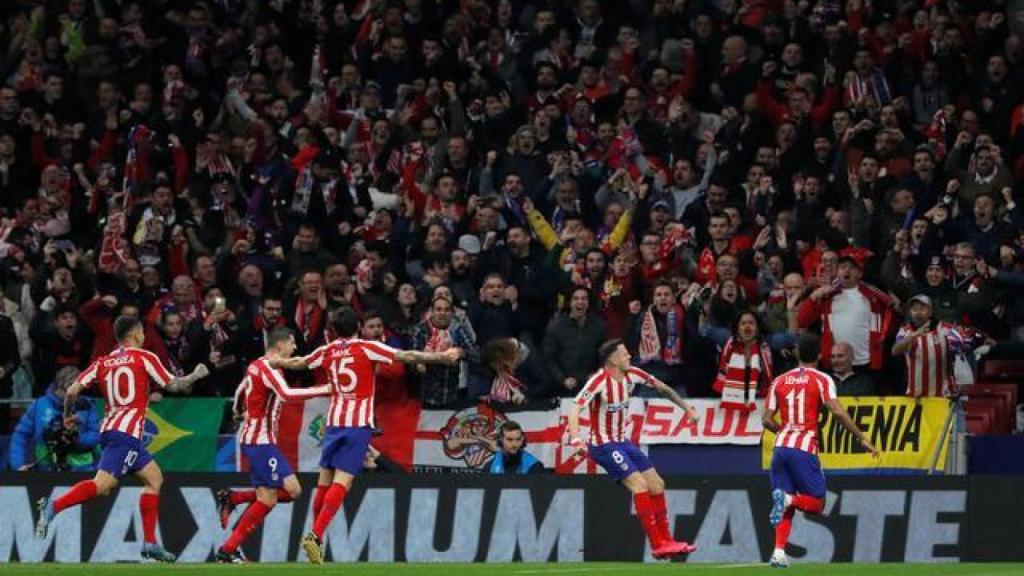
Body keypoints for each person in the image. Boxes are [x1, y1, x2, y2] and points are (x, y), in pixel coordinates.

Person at [271, 308, 461, 564]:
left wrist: (276, 361)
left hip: (334, 422)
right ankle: (315, 536)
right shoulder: (366, 347)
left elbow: (301, 362)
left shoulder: (327, 350)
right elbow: (406, 355)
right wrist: (442, 356)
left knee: (324, 480)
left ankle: (316, 538)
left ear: (334, 330)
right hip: (357, 424)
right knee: (343, 482)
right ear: (358, 327)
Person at [34, 316, 210, 563]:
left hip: (113, 432)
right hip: (126, 435)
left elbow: (72, 390)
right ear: (138, 334)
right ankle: (53, 506)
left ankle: (150, 543)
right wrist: (194, 376)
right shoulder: (145, 357)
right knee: (102, 485)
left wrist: (67, 417)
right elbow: (174, 385)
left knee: (154, 478)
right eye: (143, 333)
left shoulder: (102, 362)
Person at [567, 339, 699, 559]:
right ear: (613, 359)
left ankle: (668, 541)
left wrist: (687, 409)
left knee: (657, 485)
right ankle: (657, 545)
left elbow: (663, 388)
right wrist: (576, 439)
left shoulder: (633, 374)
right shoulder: (598, 381)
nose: (629, 356)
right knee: (639, 485)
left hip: (623, 442)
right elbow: (575, 409)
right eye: (625, 353)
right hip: (602, 445)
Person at [762, 332, 880, 568]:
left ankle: (778, 552)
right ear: (819, 355)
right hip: (804, 448)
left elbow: (766, 419)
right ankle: (787, 500)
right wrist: (861, 438)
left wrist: (784, 433)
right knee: (816, 502)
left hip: (781, 447)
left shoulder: (780, 380)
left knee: (784, 506)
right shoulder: (822, 379)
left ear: (796, 354)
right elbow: (837, 411)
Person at [214, 327, 331, 563]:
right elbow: (287, 394)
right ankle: (230, 530)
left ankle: (229, 538)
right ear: (280, 345)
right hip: (260, 441)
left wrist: (238, 411)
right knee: (287, 492)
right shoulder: (269, 367)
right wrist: (327, 389)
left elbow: (239, 392)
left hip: (256, 440)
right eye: (292, 343)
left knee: (274, 497)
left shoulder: (255, 365)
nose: (295, 348)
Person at [10, 367, 99, 472]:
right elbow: (20, 435)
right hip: (45, 472)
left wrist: (76, 439)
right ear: (57, 387)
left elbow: (96, 435)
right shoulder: (39, 405)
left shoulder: (87, 406)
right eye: (67, 389)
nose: (70, 395)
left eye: (75, 390)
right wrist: (18, 465)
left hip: (82, 472)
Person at [892, 294, 965, 397]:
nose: (918, 312)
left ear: (930, 311)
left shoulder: (945, 329)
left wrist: (957, 342)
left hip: (943, 395)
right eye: (915, 309)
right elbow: (895, 351)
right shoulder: (905, 331)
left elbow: (961, 346)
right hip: (915, 396)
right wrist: (913, 336)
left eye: (922, 309)